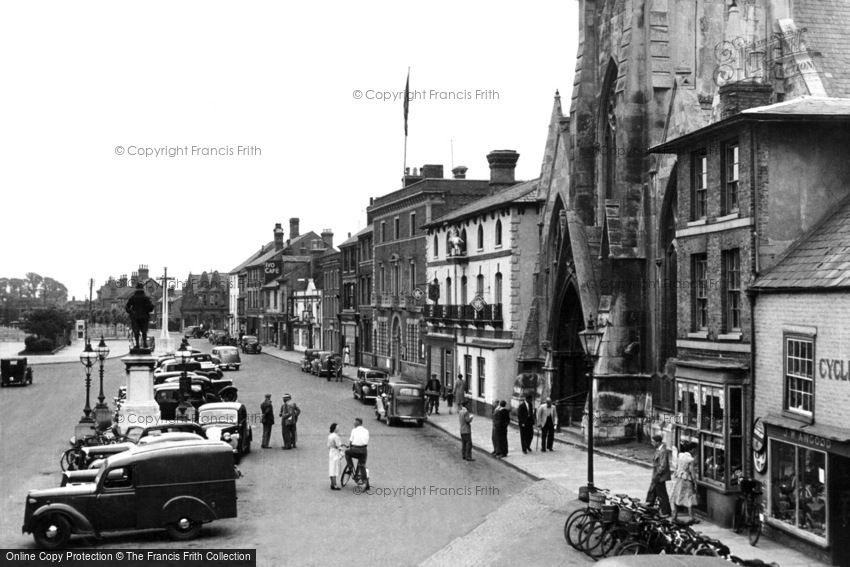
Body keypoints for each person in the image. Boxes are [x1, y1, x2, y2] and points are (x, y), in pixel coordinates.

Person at [671, 440, 699, 523]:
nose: (695, 451)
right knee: (689, 497)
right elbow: (692, 471)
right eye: (695, 450)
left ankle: (674, 516)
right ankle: (691, 517)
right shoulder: (690, 459)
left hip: (678, 478)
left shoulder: (680, 455)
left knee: (676, 496)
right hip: (686, 479)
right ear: (692, 450)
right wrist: (695, 481)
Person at [647, 433, 672, 516]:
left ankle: (666, 511)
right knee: (653, 491)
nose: (652, 443)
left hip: (659, 476)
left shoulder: (663, 451)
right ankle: (649, 507)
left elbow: (663, 465)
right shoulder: (659, 449)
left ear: (658, 442)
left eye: (653, 442)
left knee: (661, 494)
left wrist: (658, 474)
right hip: (656, 475)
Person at [125, 282, 154, 350]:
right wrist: (148, 309)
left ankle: (137, 344)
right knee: (144, 331)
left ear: (136, 289)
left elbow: (127, 307)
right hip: (144, 317)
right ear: (143, 288)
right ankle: (145, 344)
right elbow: (151, 307)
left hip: (135, 317)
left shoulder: (132, 297)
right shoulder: (146, 298)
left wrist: (131, 312)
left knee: (136, 331)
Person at [345, 417, 370, 486]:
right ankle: (365, 482)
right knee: (362, 465)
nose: (353, 423)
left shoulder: (354, 430)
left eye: (354, 422)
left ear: (357, 423)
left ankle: (350, 467)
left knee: (347, 452)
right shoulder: (366, 431)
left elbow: (350, 442)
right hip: (364, 450)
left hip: (355, 449)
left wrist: (349, 447)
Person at [327, 423, 344, 490]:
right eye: (337, 427)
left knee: (331, 468)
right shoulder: (336, 436)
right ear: (334, 428)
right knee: (335, 469)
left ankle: (332, 483)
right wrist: (342, 453)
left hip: (331, 452)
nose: (338, 428)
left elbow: (328, 445)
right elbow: (338, 445)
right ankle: (334, 485)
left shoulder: (330, 436)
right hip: (335, 453)